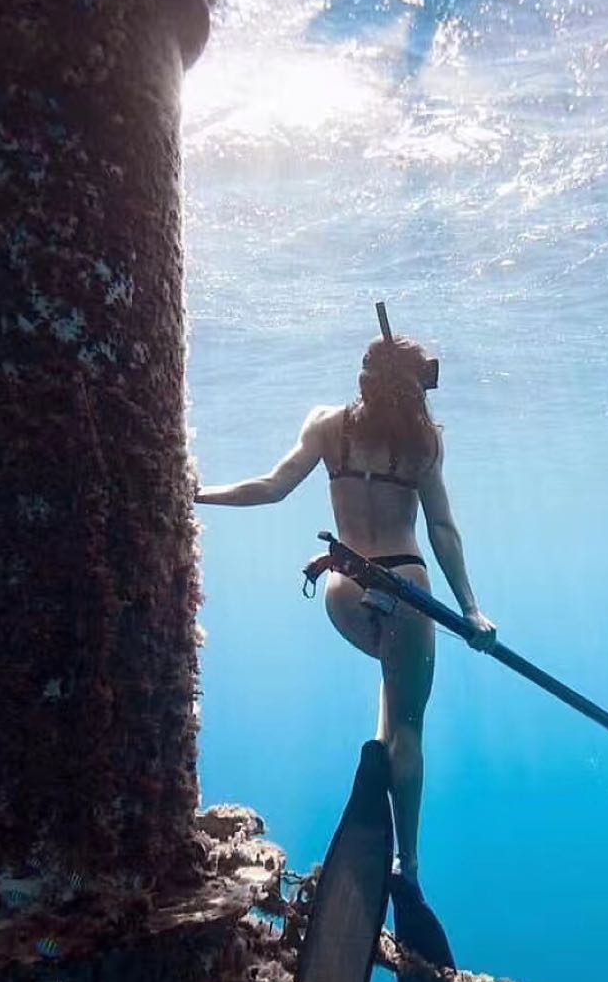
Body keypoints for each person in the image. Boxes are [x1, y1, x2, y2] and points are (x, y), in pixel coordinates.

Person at [195, 331, 496, 891]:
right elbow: (442, 531)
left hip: (346, 589)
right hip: (406, 585)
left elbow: (271, 487)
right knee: (409, 728)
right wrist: (472, 611)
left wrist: (198, 493)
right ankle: (408, 862)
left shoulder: (327, 425)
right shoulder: (423, 444)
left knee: (390, 680)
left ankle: (377, 754)